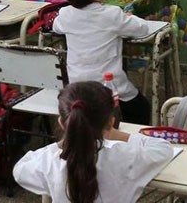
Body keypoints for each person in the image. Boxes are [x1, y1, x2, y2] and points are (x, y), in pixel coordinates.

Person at [13, 81, 173, 203]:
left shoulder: (49, 162)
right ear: (110, 122)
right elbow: (163, 149)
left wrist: (64, 142)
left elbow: (20, 170)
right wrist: (119, 135)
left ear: (62, 123)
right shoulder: (125, 157)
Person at [53, 0, 152, 125]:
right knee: (141, 107)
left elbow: (56, 25)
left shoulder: (65, 14)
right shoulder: (111, 14)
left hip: (76, 87)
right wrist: (129, 17)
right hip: (110, 85)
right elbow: (142, 29)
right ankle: (131, 139)